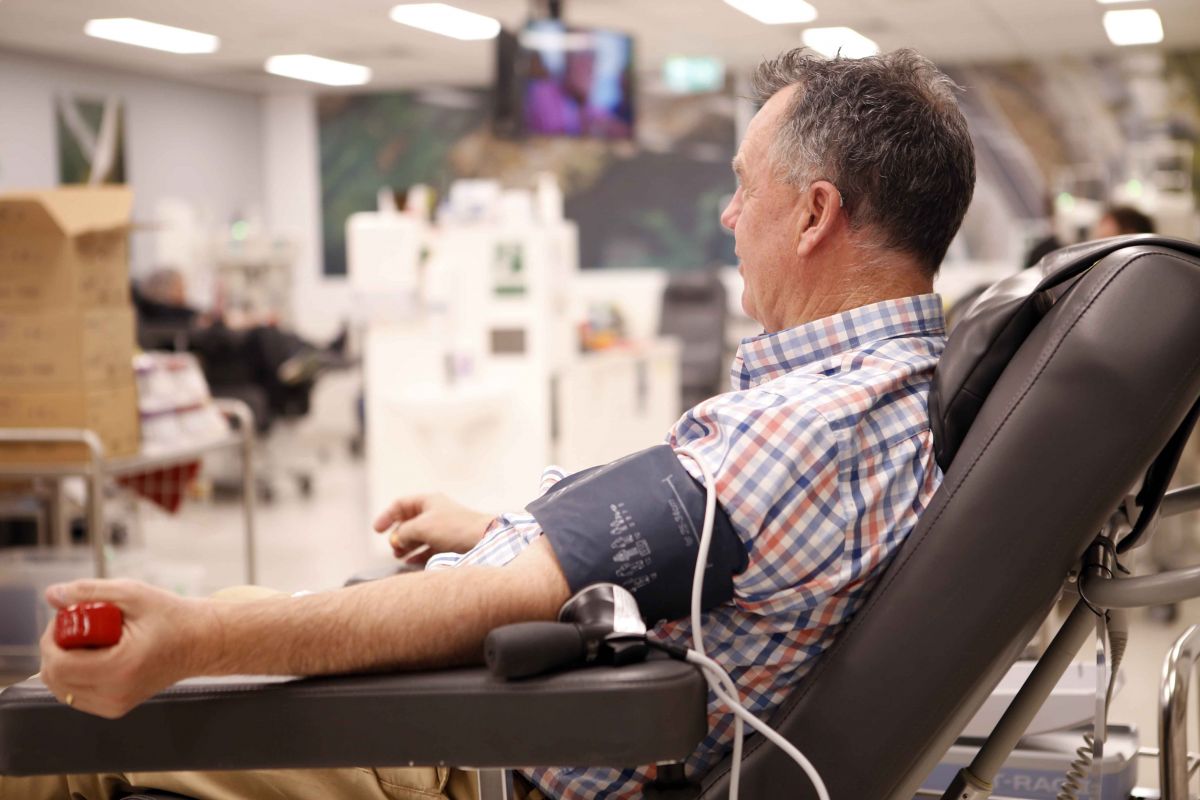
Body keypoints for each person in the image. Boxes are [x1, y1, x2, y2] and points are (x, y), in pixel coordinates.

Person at [6, 46, 976, 800]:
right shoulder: (873, 397)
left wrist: (193, 638)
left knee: (50, 732)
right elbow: (710, 555)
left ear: (813, 215)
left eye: (742, 186)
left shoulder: (799, 427)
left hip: (457, 751)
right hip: (527, 690)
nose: (728, 216)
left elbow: (487, 606)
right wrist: (496, 530)